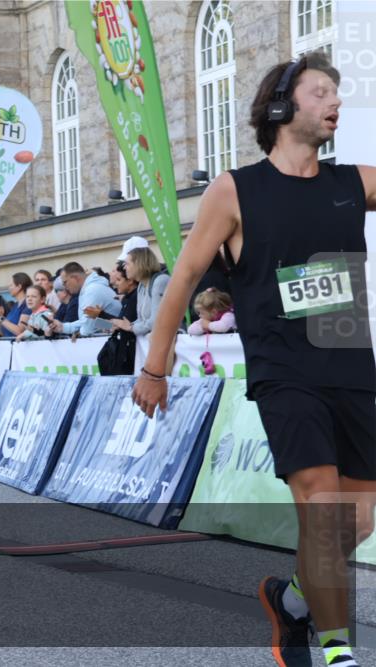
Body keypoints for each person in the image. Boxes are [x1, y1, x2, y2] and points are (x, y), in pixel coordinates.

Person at [132, 52, 376, 667]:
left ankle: (291, 600)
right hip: (284, 373)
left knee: (357, 523)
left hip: (352, 370)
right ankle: (338, 650)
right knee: (320, 508)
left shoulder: (354, 183)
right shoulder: (236, 190)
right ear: (281, 106)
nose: (335, 102)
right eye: (320, 92)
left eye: (337, 93)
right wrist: (155, 368)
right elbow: (183, 280)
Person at [110, 247, 170, 336]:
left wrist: (131, 327)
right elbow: (142, 320)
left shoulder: (160, 281)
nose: (124, 268)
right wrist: (125, 325)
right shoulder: (141, 285)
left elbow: (157, 320)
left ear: (139, 264)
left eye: (127, 264)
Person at [47, 262, 118, 337]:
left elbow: (87, 330)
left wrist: (78, 331)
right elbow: (87, 322)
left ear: (75, 278)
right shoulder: (89, 289)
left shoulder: (92, 290)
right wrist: (63, 327)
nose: (64, 286)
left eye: (65, 282)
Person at [0, 272, 32, 338]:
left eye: (11, 285)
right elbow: (3, 332)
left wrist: (1, 318)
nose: (9, 288)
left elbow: (20, 331)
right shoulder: (15, 305)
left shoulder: (27, 305)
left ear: (19, 287)